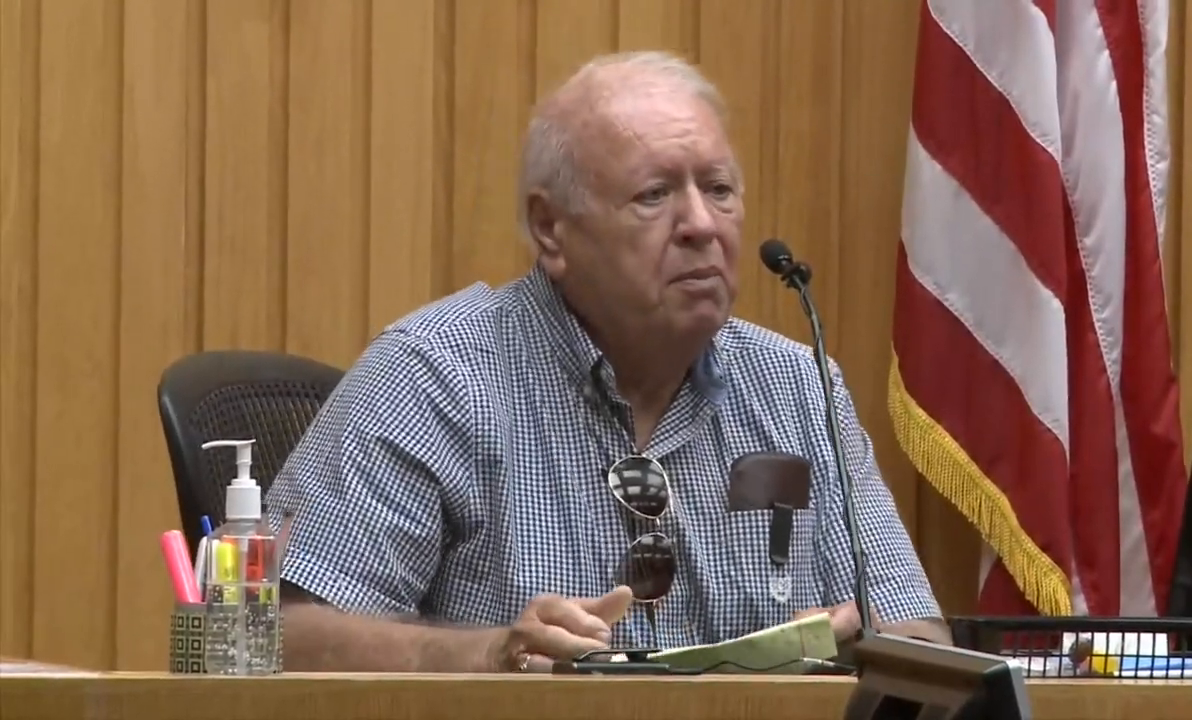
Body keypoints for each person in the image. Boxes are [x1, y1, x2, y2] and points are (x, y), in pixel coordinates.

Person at [266, 50, 948, 674]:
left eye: (718, 189)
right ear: (551, 229)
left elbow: (920, 635)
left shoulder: (797, 386)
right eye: (654, 195)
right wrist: (489, 655)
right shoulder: (435, 376)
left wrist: (859, 653)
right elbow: (278, 635)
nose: (702, 225)